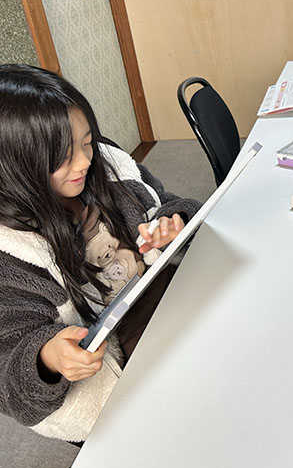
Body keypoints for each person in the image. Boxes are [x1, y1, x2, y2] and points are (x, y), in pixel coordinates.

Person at [0, 64, 201, 443]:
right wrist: (48, 357)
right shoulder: (9, 253)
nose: (83, 162)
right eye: (61, 157)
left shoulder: (109, 167)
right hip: (117, 367)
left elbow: (169, 201)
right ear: (15, 165)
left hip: (164, 302)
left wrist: (172, 221)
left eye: (87, 142)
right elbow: (8, 375)